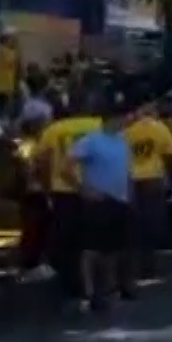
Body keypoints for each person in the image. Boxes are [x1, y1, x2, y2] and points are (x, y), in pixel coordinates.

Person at [35, 101, 103, 305]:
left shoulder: (54, 130)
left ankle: (72, 285)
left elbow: (42, 163)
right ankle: (97, 285)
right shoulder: (99, 125)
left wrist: (47, 187)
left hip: (64, 192)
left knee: (66, 241)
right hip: (97, 190)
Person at [71, 103, 136, 310]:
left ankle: (112, 288)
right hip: (99, 201)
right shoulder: (91, 140)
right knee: (91, 249)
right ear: (110, 119)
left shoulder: (123, 140)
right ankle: (89, 293)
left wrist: (130, 192)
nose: (125, 121)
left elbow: (127, 170)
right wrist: (82, 188)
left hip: (121, 199)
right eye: (122, 118)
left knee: (115, 248)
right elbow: (66, 165)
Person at [122, 99, 172, 278]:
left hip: (129, 181)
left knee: (133, 224)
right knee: (153, 223)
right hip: (153, 179)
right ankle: (148, 264)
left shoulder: (124, 130)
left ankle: (134, 265)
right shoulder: (158, 128)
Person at [0, 30, 21, 113]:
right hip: (7, 84)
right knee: (7, 108)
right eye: (11, 39)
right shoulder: (10, 53)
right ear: (6, 40)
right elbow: (17, 66)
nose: (13, 41)